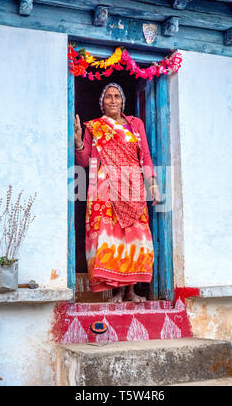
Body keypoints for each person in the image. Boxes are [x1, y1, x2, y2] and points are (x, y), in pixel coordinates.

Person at [75, 83, 161, 302]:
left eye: (116, 96)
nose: (112, 100)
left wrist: (153, 186)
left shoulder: (136, 124)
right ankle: (116, 292)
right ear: (101, 103)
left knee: (133, 239)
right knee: (110, 240)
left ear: (123, 101)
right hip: (104, 189)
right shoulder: (95, 127)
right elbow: (84, 161)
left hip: (133, 186)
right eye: (108, 97)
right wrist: (77, 142)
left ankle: (131, 291)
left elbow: (146, 156)